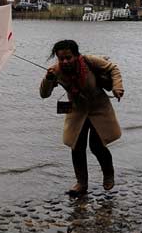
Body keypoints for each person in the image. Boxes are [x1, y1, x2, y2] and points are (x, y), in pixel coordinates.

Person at [40, 40, 124, 197]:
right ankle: (81, 183)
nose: (65, 61)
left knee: (96, 146)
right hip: (77, 110)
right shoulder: (56, 71)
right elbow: (44, 94)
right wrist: (48, 79)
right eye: (61, 59)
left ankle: (108, 173)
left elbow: (113, 69)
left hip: (99, 107)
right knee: (76, 147)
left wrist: (117, 87)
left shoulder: (89, 61)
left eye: (68, 57)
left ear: (76, 55)